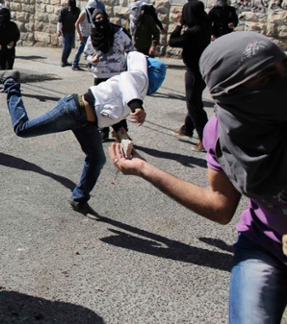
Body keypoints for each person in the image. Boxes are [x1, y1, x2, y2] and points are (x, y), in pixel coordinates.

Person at [109, 31, 287, 323]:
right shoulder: (220, 132)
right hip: (264, 246)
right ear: (231, 92)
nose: (283, 83)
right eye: (267, 78)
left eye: (285, 68)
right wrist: (145, 169)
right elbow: (220, 206)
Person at [0, 51, 166, 217]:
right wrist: (137, 107)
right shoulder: (134, 79)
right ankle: (11, 81)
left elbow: (114, 111)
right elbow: (129, 91)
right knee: (22, 129)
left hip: (87, 122)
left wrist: (122, 134)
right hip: (73, 110)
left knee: (97, 159)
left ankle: (79, 200)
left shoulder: (137, 90)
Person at [168, 0, 212, 152]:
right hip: (203, 68)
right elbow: (195, 3)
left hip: (194, 71)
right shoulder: (205, 20)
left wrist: (179, 25)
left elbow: (172, 41)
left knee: (194, 105)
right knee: (193, 100)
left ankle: (205, 139)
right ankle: (187, 128)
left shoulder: (193, 31)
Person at [83, 9, 136, 142]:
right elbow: (87, 54)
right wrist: (92, 59)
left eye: (102, 18)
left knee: (119, 104)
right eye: (97, 19)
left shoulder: (119, 33)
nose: (100, 21)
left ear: (107, 18)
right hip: (100, 75)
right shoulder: (92, 36)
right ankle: (103, 130)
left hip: (117, 75)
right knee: (101, 104)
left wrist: (131, 69)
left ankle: (122, 132)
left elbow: (131, 49)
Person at [0, 7, 20, 73]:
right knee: (2, 68)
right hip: (0, 49)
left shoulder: (13, 26)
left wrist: (13, 41)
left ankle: (9, 81)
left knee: (9, 67)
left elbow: (17, 35)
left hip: (10, 49)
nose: (4, 18)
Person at [71, 0, 98, 71]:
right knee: (81, 49)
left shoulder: (93, 13)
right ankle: (74, 64)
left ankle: (89, 64)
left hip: (90, 35)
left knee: (91, 50)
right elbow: (77, 23)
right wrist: (80, 35)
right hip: (84, 34)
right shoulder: (84, 13)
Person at [57, 0, 81, 67]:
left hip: (72, 31)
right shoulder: (64, 10)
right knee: (66, 46)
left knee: (70, 46)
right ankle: (63, 60)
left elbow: (78, 21)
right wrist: (59, 30)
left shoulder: (77, 11)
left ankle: (65, 60)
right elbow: (60, 21)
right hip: (65, 31)